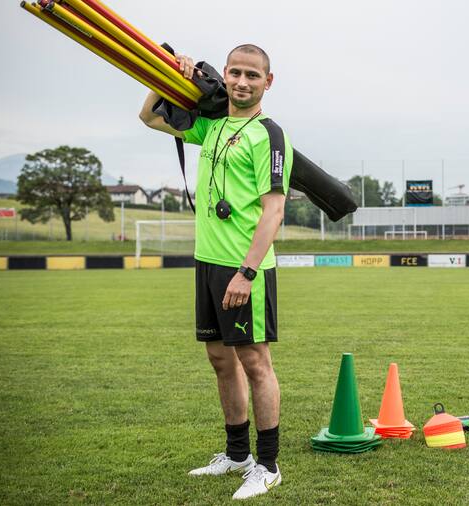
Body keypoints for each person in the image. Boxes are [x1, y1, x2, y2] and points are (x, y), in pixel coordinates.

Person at [139, 44, 291, 500]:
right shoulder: (211, 126)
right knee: (220, 360)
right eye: (235, 73)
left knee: (255, 363)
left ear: (268, 82)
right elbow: (149, 118)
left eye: (252, 75)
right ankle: (237, 455)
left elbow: (274, 210)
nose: (242, 82)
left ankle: (268, 466)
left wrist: (247, 272)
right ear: (224, 75)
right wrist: (167, 73)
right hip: (207, 262)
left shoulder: (269, 135)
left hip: (245, 267)